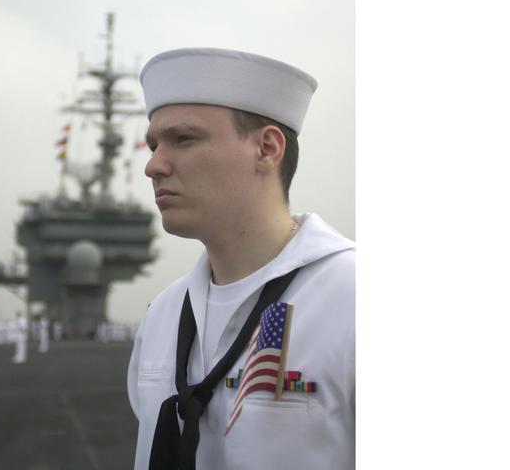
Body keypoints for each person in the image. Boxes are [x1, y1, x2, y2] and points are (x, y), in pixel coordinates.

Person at [127, 48, 355, 470]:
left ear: (267, 149)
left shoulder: (353, 298)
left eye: (184, 139)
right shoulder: (163, 314)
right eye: (154, 145)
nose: (154, 166)